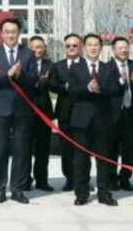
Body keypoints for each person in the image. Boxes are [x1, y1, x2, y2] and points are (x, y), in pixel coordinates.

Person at [0, 18, 37, 204]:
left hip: (23, 108)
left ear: (19, 33)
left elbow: (34, 80)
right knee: (1, 149)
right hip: (1, 108)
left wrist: (20, 74)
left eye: (13, 31)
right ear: (1, 33)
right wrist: (8, 75)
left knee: (21, 150)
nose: (10, 35)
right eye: (6, 31)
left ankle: (17, 189)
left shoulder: (28, 54)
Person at [67, 33, 122, 206]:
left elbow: (116, 89)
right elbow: (72, 91)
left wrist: (99, 89)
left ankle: (104, 193)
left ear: (100, 47)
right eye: (89, 45)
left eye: (96, 45)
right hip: (81, 120)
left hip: (103, 121)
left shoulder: (109, 68)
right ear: (84, 47)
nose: (92, 48)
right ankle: (81, 193)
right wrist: (87, 88)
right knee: (81, 159)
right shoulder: (75, 68)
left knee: (104, 159)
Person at [49, 33, 83, 191]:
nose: (71, 48)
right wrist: (65, 87)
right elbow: (52, 85)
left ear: (80, 47)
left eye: (75, 45)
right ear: (64, 48)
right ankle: (70, 178)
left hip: (84, 112)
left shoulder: (87, 64)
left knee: (82, 148)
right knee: (66, 148)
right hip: (64, 112)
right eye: (68, 45)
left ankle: (83, 179)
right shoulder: (57, 66)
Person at [108, 37, 133, 191]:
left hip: (131, 114)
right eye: (120, 48)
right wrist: (121, 81)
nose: (124, 50)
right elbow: (105, 89)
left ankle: (125, 178)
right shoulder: (106, 67)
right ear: (114, 50)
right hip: (112, 114)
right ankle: (112, 179)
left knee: (129, 149)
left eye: (126, 47)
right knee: (111, 149)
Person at [25, 36, 54, 192]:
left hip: (44, 111)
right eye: (34, 47)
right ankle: (25, 180)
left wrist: (47, 82)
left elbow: (55, 84)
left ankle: (42, 180)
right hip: (26, 111)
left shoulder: (50, 65)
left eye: (40, 47)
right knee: (26, 148)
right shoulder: (22, 64)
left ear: (44, 48)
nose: (37, 50)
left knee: (43, 149)